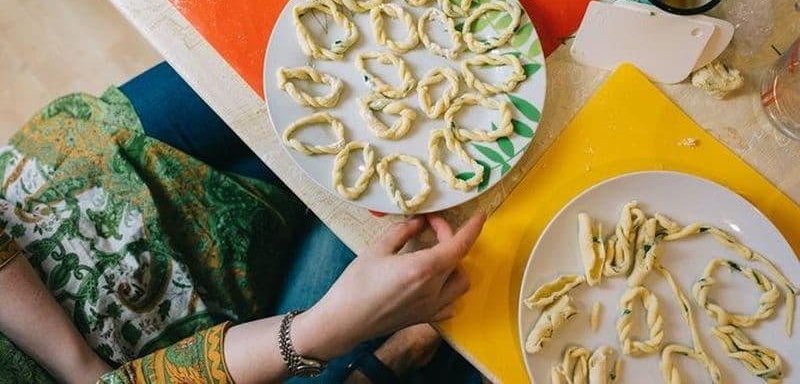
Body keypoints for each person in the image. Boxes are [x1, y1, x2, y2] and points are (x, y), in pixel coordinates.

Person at [0, 62, 486, 383]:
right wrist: (339, 341)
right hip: (221, 337)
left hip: (78, 181)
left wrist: (79, 368)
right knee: (425, 186)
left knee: (312, 54)